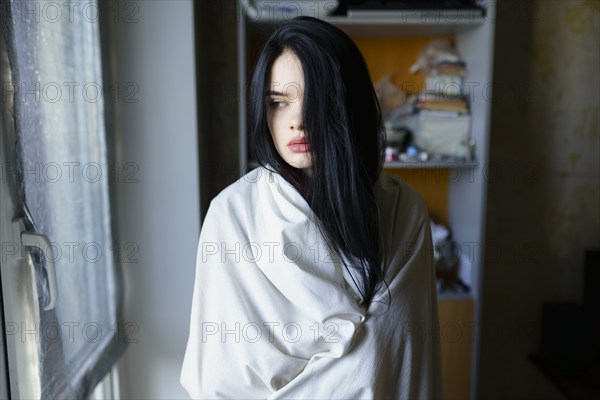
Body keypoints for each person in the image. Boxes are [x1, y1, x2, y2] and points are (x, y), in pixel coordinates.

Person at [181, 16, 441, 399]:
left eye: (317, 101)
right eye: (278, 102)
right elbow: (218, 379)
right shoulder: (232, 216)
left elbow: (399, 361)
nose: (297, 122)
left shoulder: (403, 212)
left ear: (348, 106)